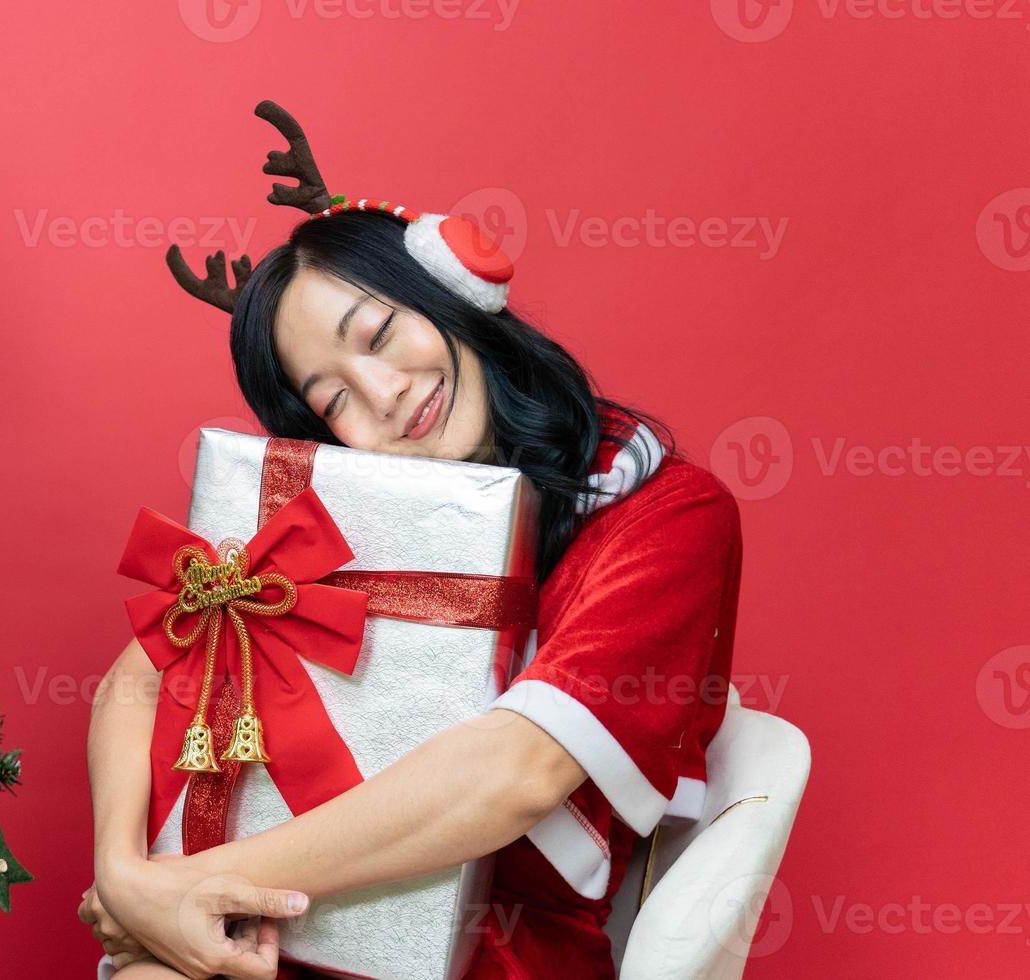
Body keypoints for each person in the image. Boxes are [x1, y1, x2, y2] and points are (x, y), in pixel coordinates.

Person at [78, 112, 743, 980]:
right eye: (332, 396)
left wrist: (189, 891)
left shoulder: (668, 514)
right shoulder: (350, 513)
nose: (384, 394)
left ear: (453, 292)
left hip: (492, 954)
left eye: (381, 335)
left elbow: (517, 772)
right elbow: (141, 670)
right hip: (287, 927)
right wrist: (124, 874)